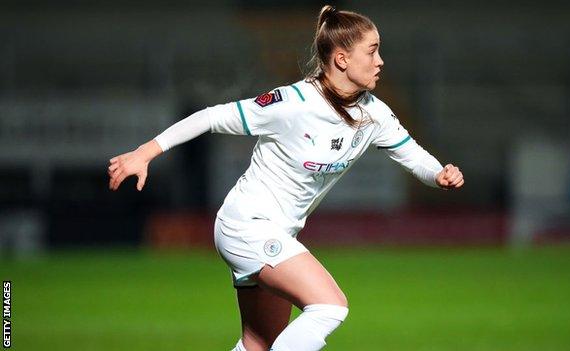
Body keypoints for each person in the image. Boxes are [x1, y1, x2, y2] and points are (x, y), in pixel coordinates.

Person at [108, 5, 464, 351]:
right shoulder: (292, 104)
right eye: (371, 51)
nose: (380, 61)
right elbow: (212, 116)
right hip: (246, 226)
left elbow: (412, 155)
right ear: (341, 59)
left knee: (258, 344)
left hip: (276, 232)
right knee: (330, 305)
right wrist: (145, 152)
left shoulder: (374, 114)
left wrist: (438, 174)